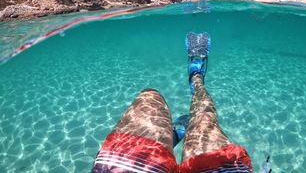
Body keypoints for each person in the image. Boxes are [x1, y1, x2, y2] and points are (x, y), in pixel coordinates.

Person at [91, 33, 253, 173]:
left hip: (125, 166)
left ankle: (173, 135)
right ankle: (196, 79)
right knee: (203, 121)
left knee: (149, 97)